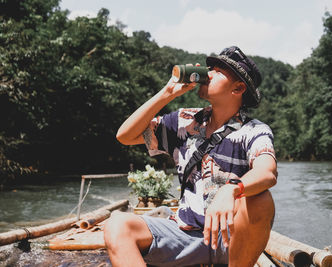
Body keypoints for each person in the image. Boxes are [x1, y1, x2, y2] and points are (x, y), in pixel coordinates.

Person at [104, 46, 277, 267]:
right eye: (209, 68)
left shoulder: (254, 131)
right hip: (183, 234)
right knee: (116, 225)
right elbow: (125, 136)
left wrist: (232, 189)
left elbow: (267, 172)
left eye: (217, 70)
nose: (208, 73)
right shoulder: (185, 121)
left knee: (260, 199)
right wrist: (167, 93)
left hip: (232, 240)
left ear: (238, 88)